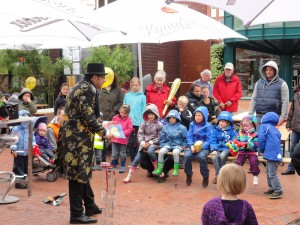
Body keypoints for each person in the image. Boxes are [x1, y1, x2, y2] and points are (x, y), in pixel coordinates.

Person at [55, 63, 107, 224]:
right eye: (103, 77)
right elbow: (88, 116)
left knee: (82, 172)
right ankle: (76, 214)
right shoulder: (86, 89)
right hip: (76, 139)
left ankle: (90, 206)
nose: (104, 80)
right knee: (77, 175)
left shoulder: (86, 86)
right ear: (95, 77)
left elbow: (89, 116)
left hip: (79, 137)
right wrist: (104, 132)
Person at [123, 104, 163, 183]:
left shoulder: (159, 125)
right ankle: (129, 176)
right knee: (136, 159)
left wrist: (151, 142)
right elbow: (140, 134)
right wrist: (142, 142)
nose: (150, 116)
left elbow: (160, 136)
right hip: (144, 144)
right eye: (149, 114)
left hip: (154, 144)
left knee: (151, 151)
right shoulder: (143, 124)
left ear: (155, 114)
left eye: (152, 114)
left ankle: (157, 168)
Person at [249, 60, 289, 131]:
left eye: (270, 70)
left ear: (275, 71)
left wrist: (282, 118)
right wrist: (251, 114)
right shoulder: (259, 82)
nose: (268, 72)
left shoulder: (282, 84)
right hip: (259, 116)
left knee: (271, 139)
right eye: (267, 70)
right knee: (259, 139)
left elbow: (285, 102)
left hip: (273, 118)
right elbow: (254, 98)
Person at [184, 106, 212, 188]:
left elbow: (209, 139)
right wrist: (191, 145)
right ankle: (188, 174)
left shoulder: (208, 126)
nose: (197, 117)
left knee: (201, 157)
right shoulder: (192, 124)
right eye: (196, 115)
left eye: (200, 115)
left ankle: (205, 176)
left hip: (204, 147)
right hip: (193, 145)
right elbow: (189, 136)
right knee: (186, 155)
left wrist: (200, 147)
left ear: (204, 116)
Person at [153, 110, 187, 177]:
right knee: (161, 152)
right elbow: (162, 137)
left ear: (177, 118)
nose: (171, 119)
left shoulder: (182, 128)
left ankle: (176, 169)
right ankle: (159, 169)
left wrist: (184, 145)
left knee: (175, 153)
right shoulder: (165, 127)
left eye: (173, 118)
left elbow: (186, 138)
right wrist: (162, 145)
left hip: (178, 145)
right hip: (168, 145)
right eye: (170, 118)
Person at [99, 71, 123, 162]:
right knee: (101, 138)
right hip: (102, 118)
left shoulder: (117, 89)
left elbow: (121, 101)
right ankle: (101, 159)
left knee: (115, 138)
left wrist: (114, 110)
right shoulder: (99, 89)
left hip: (114, 118)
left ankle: (115, 159)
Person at [258, 112, 283, 199]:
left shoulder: (264, 126)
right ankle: (272, 188)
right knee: (268, 171)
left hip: (271, 153)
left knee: (271, 172)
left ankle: (278, 190)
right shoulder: (275, 128)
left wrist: (261, 149)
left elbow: (261, 138)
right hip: (276, 153)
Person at [10, 110, 36, 189]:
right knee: (18, 167)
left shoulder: (30, 128)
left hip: (27, 152)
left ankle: (23, 180)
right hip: (19, 152)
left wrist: (34, 145)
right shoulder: (16, 129)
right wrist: (13, 149)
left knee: (25, 167)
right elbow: (13, 140)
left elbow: (33, 139)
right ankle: (18, 182)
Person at [210, 111, 237, 184]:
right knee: (214, 157)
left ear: (228, 123)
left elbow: (235, 140)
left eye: (223, 122)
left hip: (227, 148)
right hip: (217, 148)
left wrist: (231, 144)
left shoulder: (232, 131)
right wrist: (214, 149)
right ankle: (218, 175)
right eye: (220, 121)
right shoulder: (215, 130)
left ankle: (222, 175)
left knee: (222, 156)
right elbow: (212, 141)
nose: (221, 123)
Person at [123, 77, 146, 162]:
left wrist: (142, 122)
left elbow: (143, 109)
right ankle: (132, 159)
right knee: (130, 141)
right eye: (132, 85)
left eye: (136, 85)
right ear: (130, 86)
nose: (134, 87)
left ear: (139, 85)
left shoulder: (143, 97)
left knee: (138, 140)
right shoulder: (127, 95)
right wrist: (124, 119)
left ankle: (138, 158)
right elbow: (124, 108)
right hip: (129, 122)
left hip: (138, 122)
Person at [234, 115, 260, 185]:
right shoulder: (240, 133)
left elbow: (256, 144)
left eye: (247, 126)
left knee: (253, 161)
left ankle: (255, 175)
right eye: (243, 126)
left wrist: (248, 145)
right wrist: (235, 143)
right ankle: (236, 177)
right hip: (242, 151)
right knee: (238, 162)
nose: (245, 128)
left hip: (252, 152)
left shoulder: (255, 134)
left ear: (252, 126)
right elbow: (236, 140)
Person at [282, 84, 300, 175]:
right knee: (293, 148)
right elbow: (292, 110)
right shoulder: (296, 94)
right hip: (296, 127)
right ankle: (291, 168)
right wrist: (288, 123)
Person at [110, 104, 133, 173]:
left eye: (125, 113)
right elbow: (111, 126)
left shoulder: (129, 120)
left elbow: (130, 129)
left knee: (122, 153)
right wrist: (113, 131)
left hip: (123, 139)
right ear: (119, 111)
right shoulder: (115, 117)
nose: (123, 114)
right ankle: (113, 164)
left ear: (128, 113)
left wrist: (122, 133)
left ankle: (122, 166)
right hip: (114, 139)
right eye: (121, 112)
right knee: (114, 153)